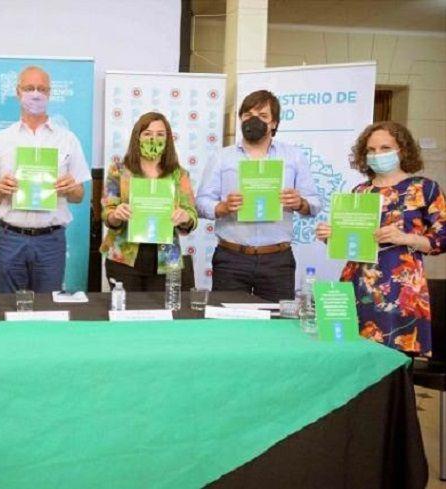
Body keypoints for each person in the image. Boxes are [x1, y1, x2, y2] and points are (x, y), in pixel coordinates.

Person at [316, 122, 445, 357]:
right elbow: (350, 244)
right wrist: (332, 237)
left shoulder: (424, 188)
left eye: (385, 148)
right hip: (357, 285)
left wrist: (406, 238)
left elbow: (441, 239)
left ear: (403, 150)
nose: (377, 154)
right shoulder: (360, 191)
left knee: (396, 360)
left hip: (401, 290)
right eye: (371, 150)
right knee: (352, 356)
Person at [196, 90, 321, 302]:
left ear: (274, 123)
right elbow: (201, 203)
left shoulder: (293, 157)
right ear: (241, 119)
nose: (254, 120)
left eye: (263, 116)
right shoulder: (221, 157)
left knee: (277, 320)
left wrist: (300, 203)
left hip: (277, 260)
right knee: (227, 319)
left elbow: (315, 204)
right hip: (231, 259)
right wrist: (222, 207)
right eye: (248, 115)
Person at [0, 65, 91, 293]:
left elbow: (79, 196)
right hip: (8, 238)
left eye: (41, 89)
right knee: (4, 305)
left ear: (49, 93)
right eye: (29, 88)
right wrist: (0, 189)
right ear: (18, 92)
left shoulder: (67, 139)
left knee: (47, 308)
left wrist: (70, 188)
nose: (36, 94)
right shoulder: (0, 139)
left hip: (50, 241)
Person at [101, 112, 197, 291]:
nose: (154, 139)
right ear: (137, 137)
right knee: (126, 307)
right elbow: (107, 213)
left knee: (162, 309)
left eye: (160, 134)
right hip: (124, 259)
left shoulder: (179, 174)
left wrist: (185, 217)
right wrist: (116, 214)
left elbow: (191, 215)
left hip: (166, 260)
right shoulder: (118, 171)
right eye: (147, 133)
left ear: (168, 139)